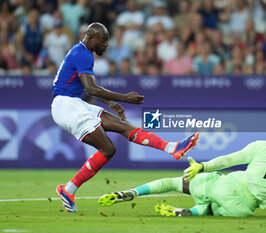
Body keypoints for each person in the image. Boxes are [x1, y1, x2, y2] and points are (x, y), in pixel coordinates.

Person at [52, 22, 199, 213]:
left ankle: (172, 147)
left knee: (123, 126)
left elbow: (88, 88)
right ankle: (68, 189)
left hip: (75, 103)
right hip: (65, 106)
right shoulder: (82, 54)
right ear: (91, 37)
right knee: (108, 149)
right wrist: (124, 98)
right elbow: (90, 88)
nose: (106, 44)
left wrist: (112, 104)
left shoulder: (82, 52)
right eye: (103, 40)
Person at [99, 122, 266, 217]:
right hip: (244, 208)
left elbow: (230, 159)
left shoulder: (261, 145)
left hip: (228, 183)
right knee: (213, 208)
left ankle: (130, 192)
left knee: (177, 182)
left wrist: (203, 166)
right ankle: (188, 212)